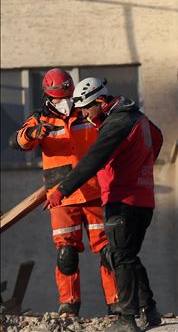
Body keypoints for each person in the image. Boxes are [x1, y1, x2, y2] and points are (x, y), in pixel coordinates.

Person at [46, 77, 163, 332]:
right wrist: (142, 164)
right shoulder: (136, 116)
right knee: (127, 255)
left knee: (120, 257)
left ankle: (127, 319)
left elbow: (92, 160)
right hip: (143, 199)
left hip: (122, 200)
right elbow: (158, 137)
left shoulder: (116, 123)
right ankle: (150, 310)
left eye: (87, 108)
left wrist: (62, 191)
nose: (84, 114)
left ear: (100, 101)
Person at [11, 69, 118, 316]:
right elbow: (15, 142)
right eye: (61, 98)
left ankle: (117, 303)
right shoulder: (41, 120)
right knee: (66, 254)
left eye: (69, 95)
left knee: (108, 251)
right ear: (49, 96)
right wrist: (32, 135)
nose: (67, 102)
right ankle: (69, 306)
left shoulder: (87, 113)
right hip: (62, 197)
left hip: (94, 192)